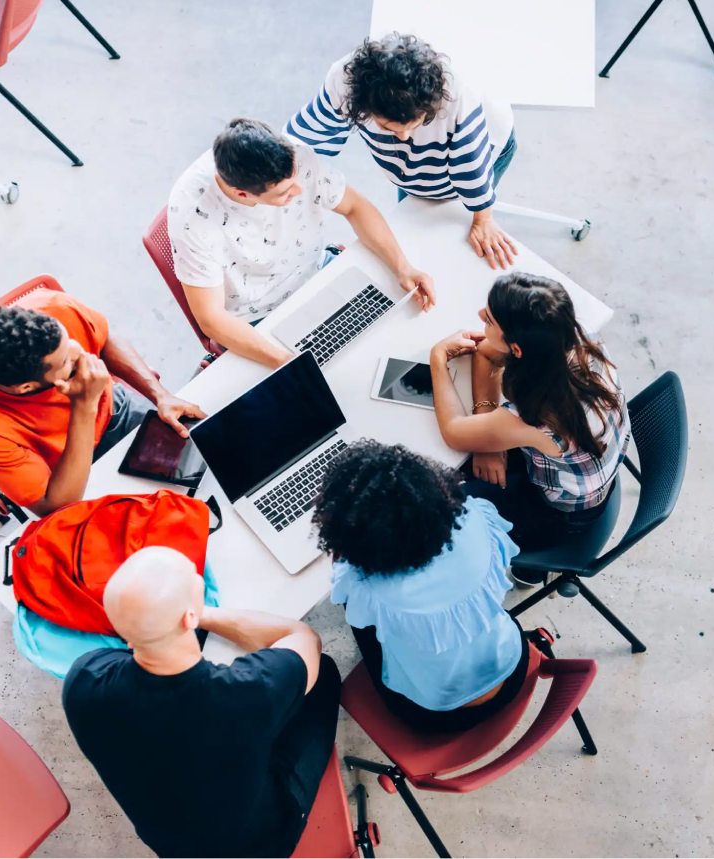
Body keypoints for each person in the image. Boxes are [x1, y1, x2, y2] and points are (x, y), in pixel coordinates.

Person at [62, 547, 340, 858]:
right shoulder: (248, 693)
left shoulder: (82, 680)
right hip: (261, 845)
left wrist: (167, 617)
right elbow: (303, 638)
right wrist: (198, 614)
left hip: (173, 845)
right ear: (190, 616)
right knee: (325, 672)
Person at [167, 117, 436, 369]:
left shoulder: (295, 154)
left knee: (401, 338)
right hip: (258, 318)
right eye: (285, 193)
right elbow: (211, 319)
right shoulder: (192, 217)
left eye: (296, 178)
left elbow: (355, 207)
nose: (299, 190)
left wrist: (403, 267)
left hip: (319, 273)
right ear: (241, 194)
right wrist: (288, 363)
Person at [312, 440, 528, 732]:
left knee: (355, 611)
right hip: (512, 668)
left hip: (434, 714)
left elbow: (352, 601)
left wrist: (345, 558)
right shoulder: (477, 516)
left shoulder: (365, 589)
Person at [428, 273, 630, 566]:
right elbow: (485, 354)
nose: (480, 315)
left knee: (436, 505)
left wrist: (438, 358)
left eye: (490, 321)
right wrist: (489, 438)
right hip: (591, 472)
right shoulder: (574, 337)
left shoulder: (543, 415)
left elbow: (453, 431)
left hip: (560, 515)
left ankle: (529, 568)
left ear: (518, 350)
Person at [0, 291, 205, 516]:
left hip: (116, 410)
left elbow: (103, 340)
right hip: (63, 471)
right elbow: (56, 505)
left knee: (204, 471)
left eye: (69, 341)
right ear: (26, 388)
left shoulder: (53, 307)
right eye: (68, 364)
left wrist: (161, 396)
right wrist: (85, 406)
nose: (81, 355)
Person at [286, 34, 520, 271]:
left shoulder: (458, 99)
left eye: (413, 126)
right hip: (424, 157)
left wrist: (482, 219)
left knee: (444, 239)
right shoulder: (343, 81)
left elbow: (471, 170)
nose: (404, 139)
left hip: (485, 143)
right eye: (387, 128)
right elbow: (301, 141)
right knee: (413, 220)